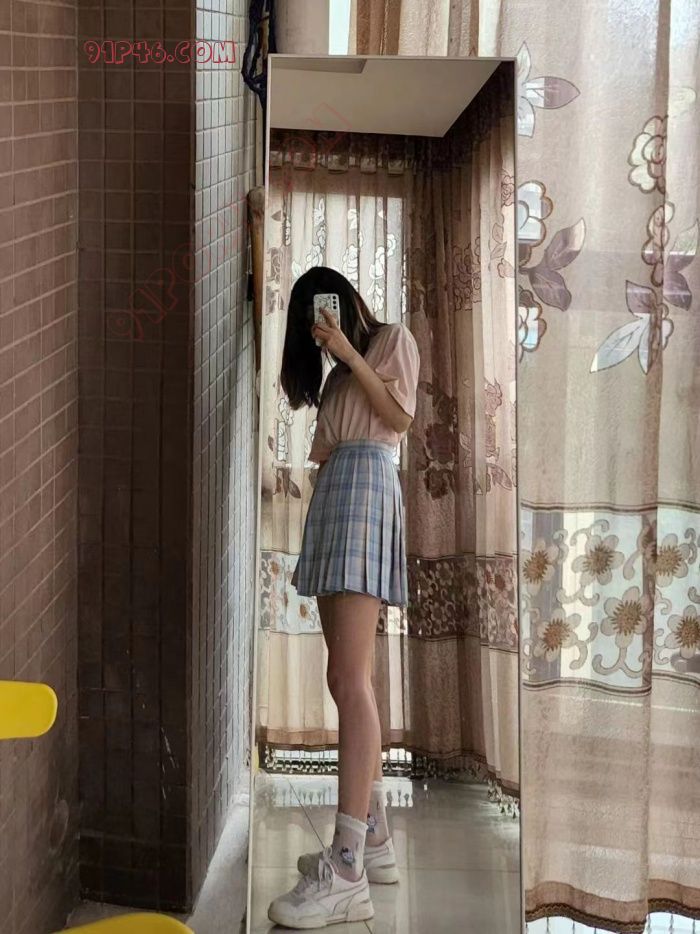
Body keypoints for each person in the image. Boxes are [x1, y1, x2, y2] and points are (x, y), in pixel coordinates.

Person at [267, 267, 420, 930]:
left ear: (350, 300)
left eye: (325, 310)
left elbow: (400, 417)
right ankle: (373, 838)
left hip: (367, 493)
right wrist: (334, 367)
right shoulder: (334, 381)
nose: (321, 327)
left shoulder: (391, 341)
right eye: (311, 322)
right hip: (337, 500)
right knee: (348, 678)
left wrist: (351, 354)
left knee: (349, 680)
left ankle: (349, 868)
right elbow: (326, 450)